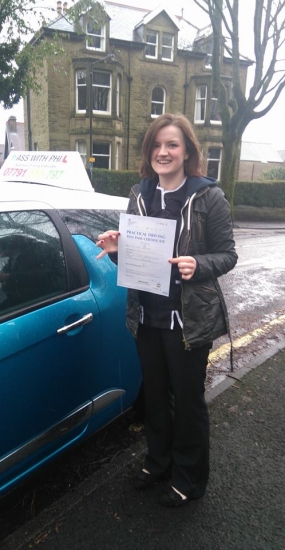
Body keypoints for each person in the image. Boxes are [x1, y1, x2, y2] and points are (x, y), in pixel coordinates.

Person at [96, 113, 238, 508]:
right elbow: (136, 260)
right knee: (155, 398)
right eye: (157, 145)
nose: (163, 152)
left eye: (172, 145)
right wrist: (117, 251)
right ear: (149, 152)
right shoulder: (139, 194)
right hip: (147, 317)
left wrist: (199, 264)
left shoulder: (209, 196)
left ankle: (188, 478)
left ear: (187, 151)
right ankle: (157, 463)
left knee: (188, 402)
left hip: (188, 321)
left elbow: (227, 254)